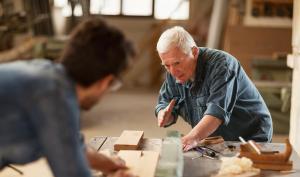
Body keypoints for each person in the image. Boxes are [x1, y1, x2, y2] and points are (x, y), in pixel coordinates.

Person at [0, 18, 135, 177]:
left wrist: (110, 165)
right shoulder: (54, 96)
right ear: (106, 82)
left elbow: (71, 145)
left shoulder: (48, 76)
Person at [154, 26, 273, 151]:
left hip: (250, 136)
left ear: (194, 52)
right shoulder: (174, 72)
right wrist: (164, 115)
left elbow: (216, 113)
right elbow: (165, 102)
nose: (172, 71)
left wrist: (191, 138)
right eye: (166, 65)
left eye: (177, 63)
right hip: (217, 139)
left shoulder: (222, 65)